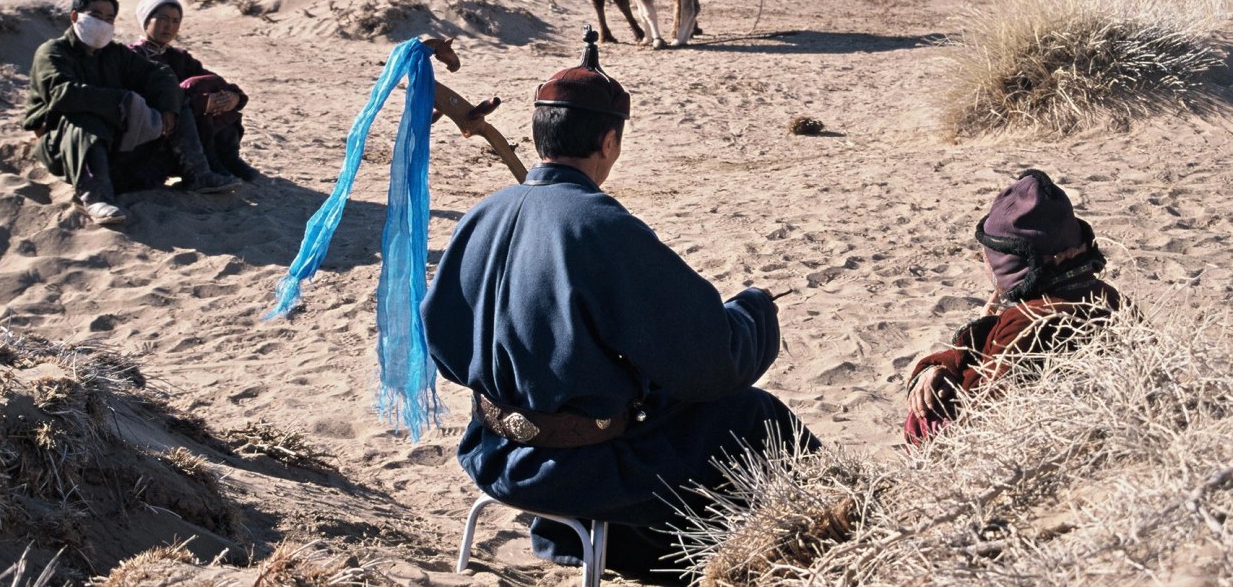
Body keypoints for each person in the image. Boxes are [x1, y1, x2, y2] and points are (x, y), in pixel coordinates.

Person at [420, 29, 818, 580]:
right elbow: (710, 362)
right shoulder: (604, 227)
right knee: (755, 416)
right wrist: (753, 311)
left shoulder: (481, 215)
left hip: (495, 451)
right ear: (609, 142)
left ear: (540, 138)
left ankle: (571, 537)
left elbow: (443, 346)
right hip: (576, 471)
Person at [904, 169, 1123, 445]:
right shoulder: (1110, 298)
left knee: (924, 417)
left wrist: (974, 341)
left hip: (1041, 450)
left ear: (1014, 263)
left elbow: (983, 420)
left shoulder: (1026, 322)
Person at [24, 0, 236, 226]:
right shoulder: (53, 52)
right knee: (87, 119)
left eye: (109, 18)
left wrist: (168, 108)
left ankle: (198, 174)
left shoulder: (114, 53)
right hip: (64, 141)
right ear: (75, 16)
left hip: (114, 140)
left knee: (177, 101)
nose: (102, 23)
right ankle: (96, 198)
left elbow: (158, 75)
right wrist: (121, 100)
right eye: (95, 15)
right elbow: (63, 95)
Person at [128, 0, 259, 182]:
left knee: (209, 86)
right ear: (146, 21)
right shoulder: (132, 55)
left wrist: (233, 98)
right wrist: (198, 103)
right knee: (187, 93)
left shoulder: (179, 57)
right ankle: (201, 171)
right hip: (156, 130)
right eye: (163, 19)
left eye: (175, 21)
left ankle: (229, 159)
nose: (169, 26)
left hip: (188, 130)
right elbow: (146, 98)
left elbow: (216, 81)